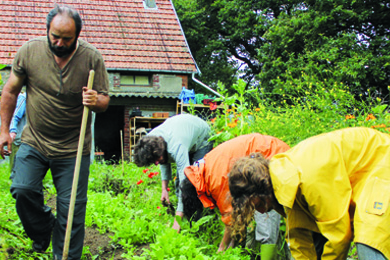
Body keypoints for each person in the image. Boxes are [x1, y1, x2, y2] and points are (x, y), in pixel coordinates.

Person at [0, 6, 110, 260]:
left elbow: (105, 100)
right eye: (54, 37)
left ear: (77, 36)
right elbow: (9, 91)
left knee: (71, 211)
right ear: (47, 31)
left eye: (66, 39)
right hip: (35, 140)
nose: (59, 43)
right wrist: (3, 129)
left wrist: (95, 100)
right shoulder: (29, 51)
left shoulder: (91, 58)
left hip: (73, 148)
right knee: (22, 189)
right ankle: (42, 231)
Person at [228, 127, 390, 260]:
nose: (256, 211)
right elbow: (300, 239)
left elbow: (338, 236)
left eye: (251, 204)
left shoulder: (308, 178)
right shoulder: (285, 182)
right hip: (364, 177)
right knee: (317, 242)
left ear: (257, 192)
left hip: (382, 164)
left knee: (370, 242)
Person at [182, 133, 291, 257]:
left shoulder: (214, 178)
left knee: (266, 224)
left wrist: (221, 250)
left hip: (272, 160)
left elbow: (231, 216)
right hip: (272, 152)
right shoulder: (206, 168)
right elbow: (236, 214)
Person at [133, 113, 213, 232]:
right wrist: (164, 189)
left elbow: (185, 182)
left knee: (194, 182)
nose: (156, 164)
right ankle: (184, 215)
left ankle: (197, 222)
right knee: (178, 184)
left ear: (162, 149)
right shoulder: (150, 140)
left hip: (202, 138)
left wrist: (176, 222)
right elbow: (163, 161)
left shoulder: (177, 145)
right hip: (184, 134)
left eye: (156, 160)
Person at [9, 92, 26, 172]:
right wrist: (12, 131)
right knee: (16, 170)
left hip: (32, 142)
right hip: (18, 140)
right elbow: (14, 116)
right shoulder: (24, 98)